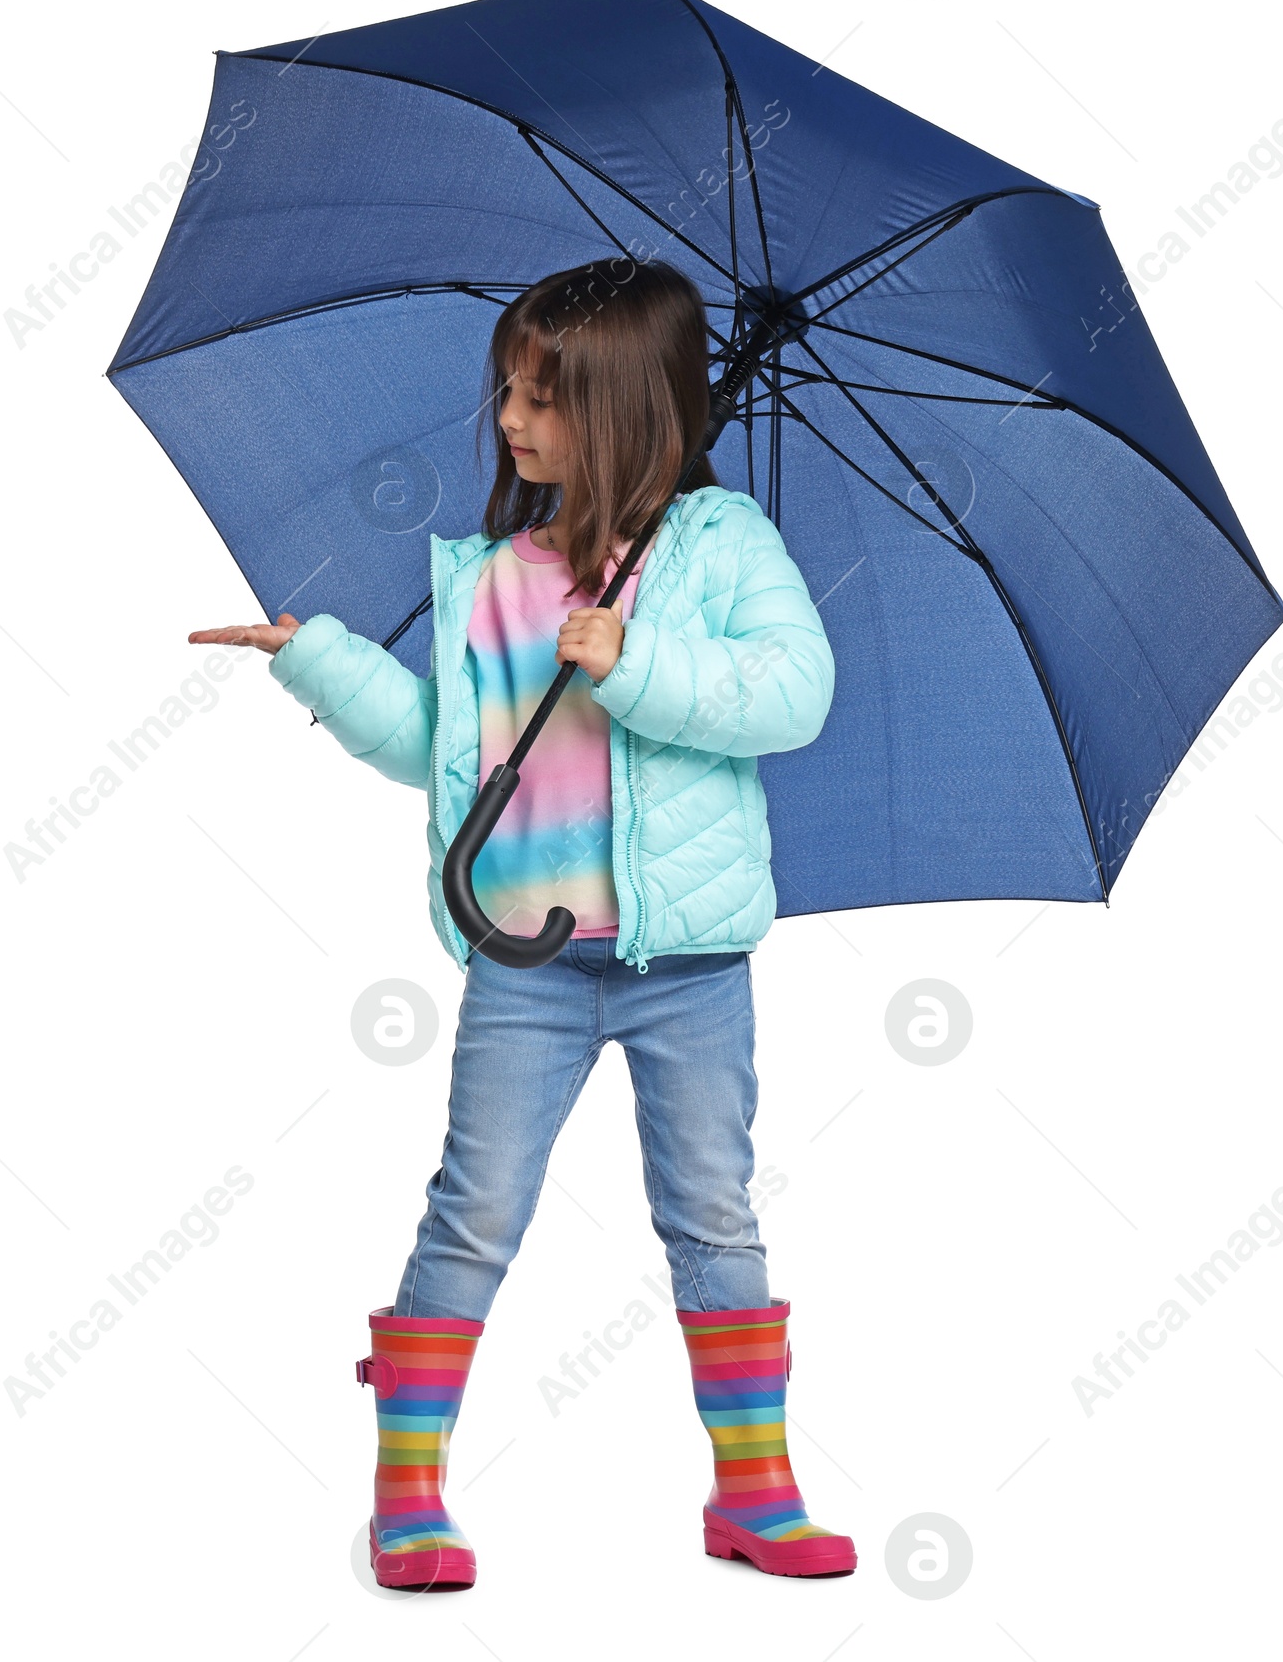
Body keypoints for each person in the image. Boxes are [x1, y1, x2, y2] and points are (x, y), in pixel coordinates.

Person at [190, 257, 853, 1589]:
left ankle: (756, 1490)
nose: (510, 418)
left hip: (690, 965)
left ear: (631, 408)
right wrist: (314, 657)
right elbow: (445, 748)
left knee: (714, 1216)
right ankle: (409, 1489)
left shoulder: (724, 552)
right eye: (508, 389)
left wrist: (641, 661)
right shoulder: (498, 578)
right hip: (525, 964)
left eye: (544, 397)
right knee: (477, 1206)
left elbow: (795, 694)